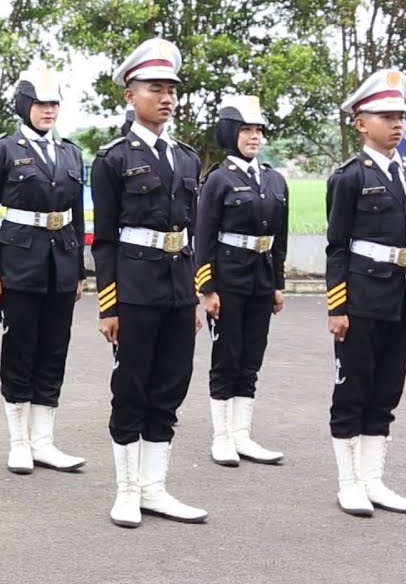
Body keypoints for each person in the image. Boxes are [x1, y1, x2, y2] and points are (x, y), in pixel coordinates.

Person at [91, 38, 206, 527]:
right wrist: (109, 306)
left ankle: (155, 488)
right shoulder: (113, 159)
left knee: (170, 387)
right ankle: (126, 490)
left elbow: (193, 232)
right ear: (129, 94)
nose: (166, 98)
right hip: (135, 289)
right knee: (132, 386)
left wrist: (199, 294)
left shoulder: (186, 158)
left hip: (179, 288)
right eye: (154, 88)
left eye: (171, 90)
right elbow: (105, 241)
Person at [0, 70, 86, 474]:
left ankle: (44, 441)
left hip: (61, 263)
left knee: (54, 350)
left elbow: (77, 217)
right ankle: (19, 441)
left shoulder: (72, 154)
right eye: (41, 105)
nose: (48, 112)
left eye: (54, 105)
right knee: (20, 349)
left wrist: (79, 273)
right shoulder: (4, 151)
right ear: (25, 107)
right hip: (19, 260)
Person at [326, 69, 406, 517]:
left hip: (400, 300)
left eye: (401, 115)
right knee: (354, 392)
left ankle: (374, 481)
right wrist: (338, 306)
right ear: (361, 123)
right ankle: (349, 483)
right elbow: (337, 246)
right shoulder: (349, 177)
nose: (397, 123)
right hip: (363, 298)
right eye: (386, 116)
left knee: (386, 393)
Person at [193, 96, 287, 467]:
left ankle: (242, 435)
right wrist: (207, 287)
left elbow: (279, 238)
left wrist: (278, 283)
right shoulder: (218, 180)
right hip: (229, 278)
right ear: (231, 134)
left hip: (262, 277)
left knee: (251, 357)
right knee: (227, 356)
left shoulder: (275, 180)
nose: (255, 137)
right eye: (247, 130)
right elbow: (204, 235)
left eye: (259, 130)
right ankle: (221, 437)